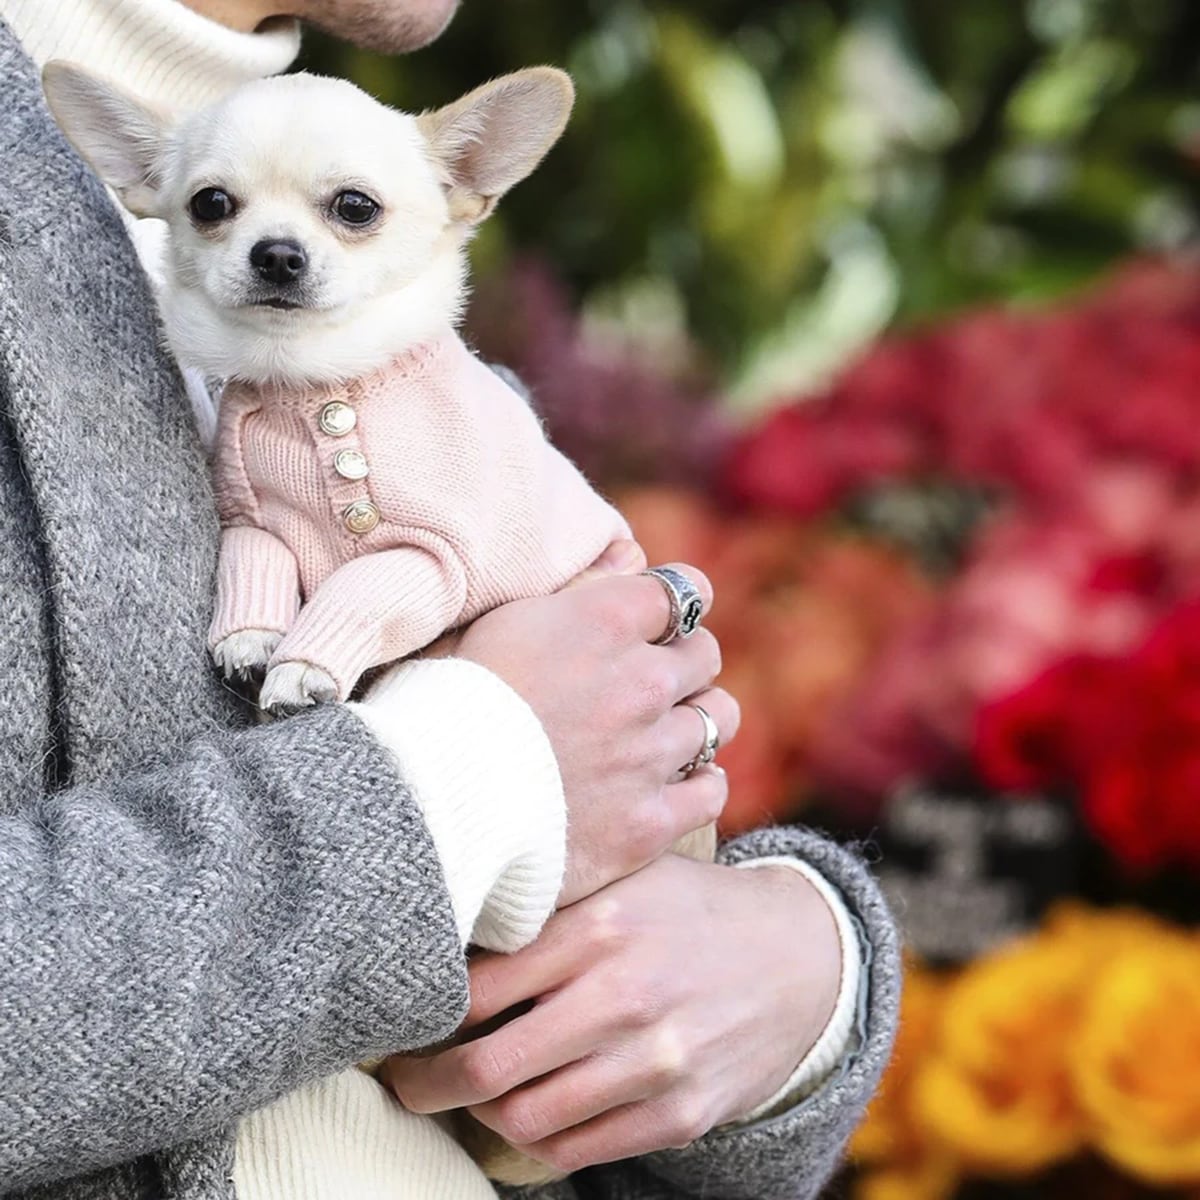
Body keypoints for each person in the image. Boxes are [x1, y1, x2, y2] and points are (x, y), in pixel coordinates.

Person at [0, 0, 900, 1197]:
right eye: (216, 207)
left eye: (349, 211)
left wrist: (798, 981)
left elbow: (599, 1084)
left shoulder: (407, 350)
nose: (281, 247)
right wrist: (467, 775)